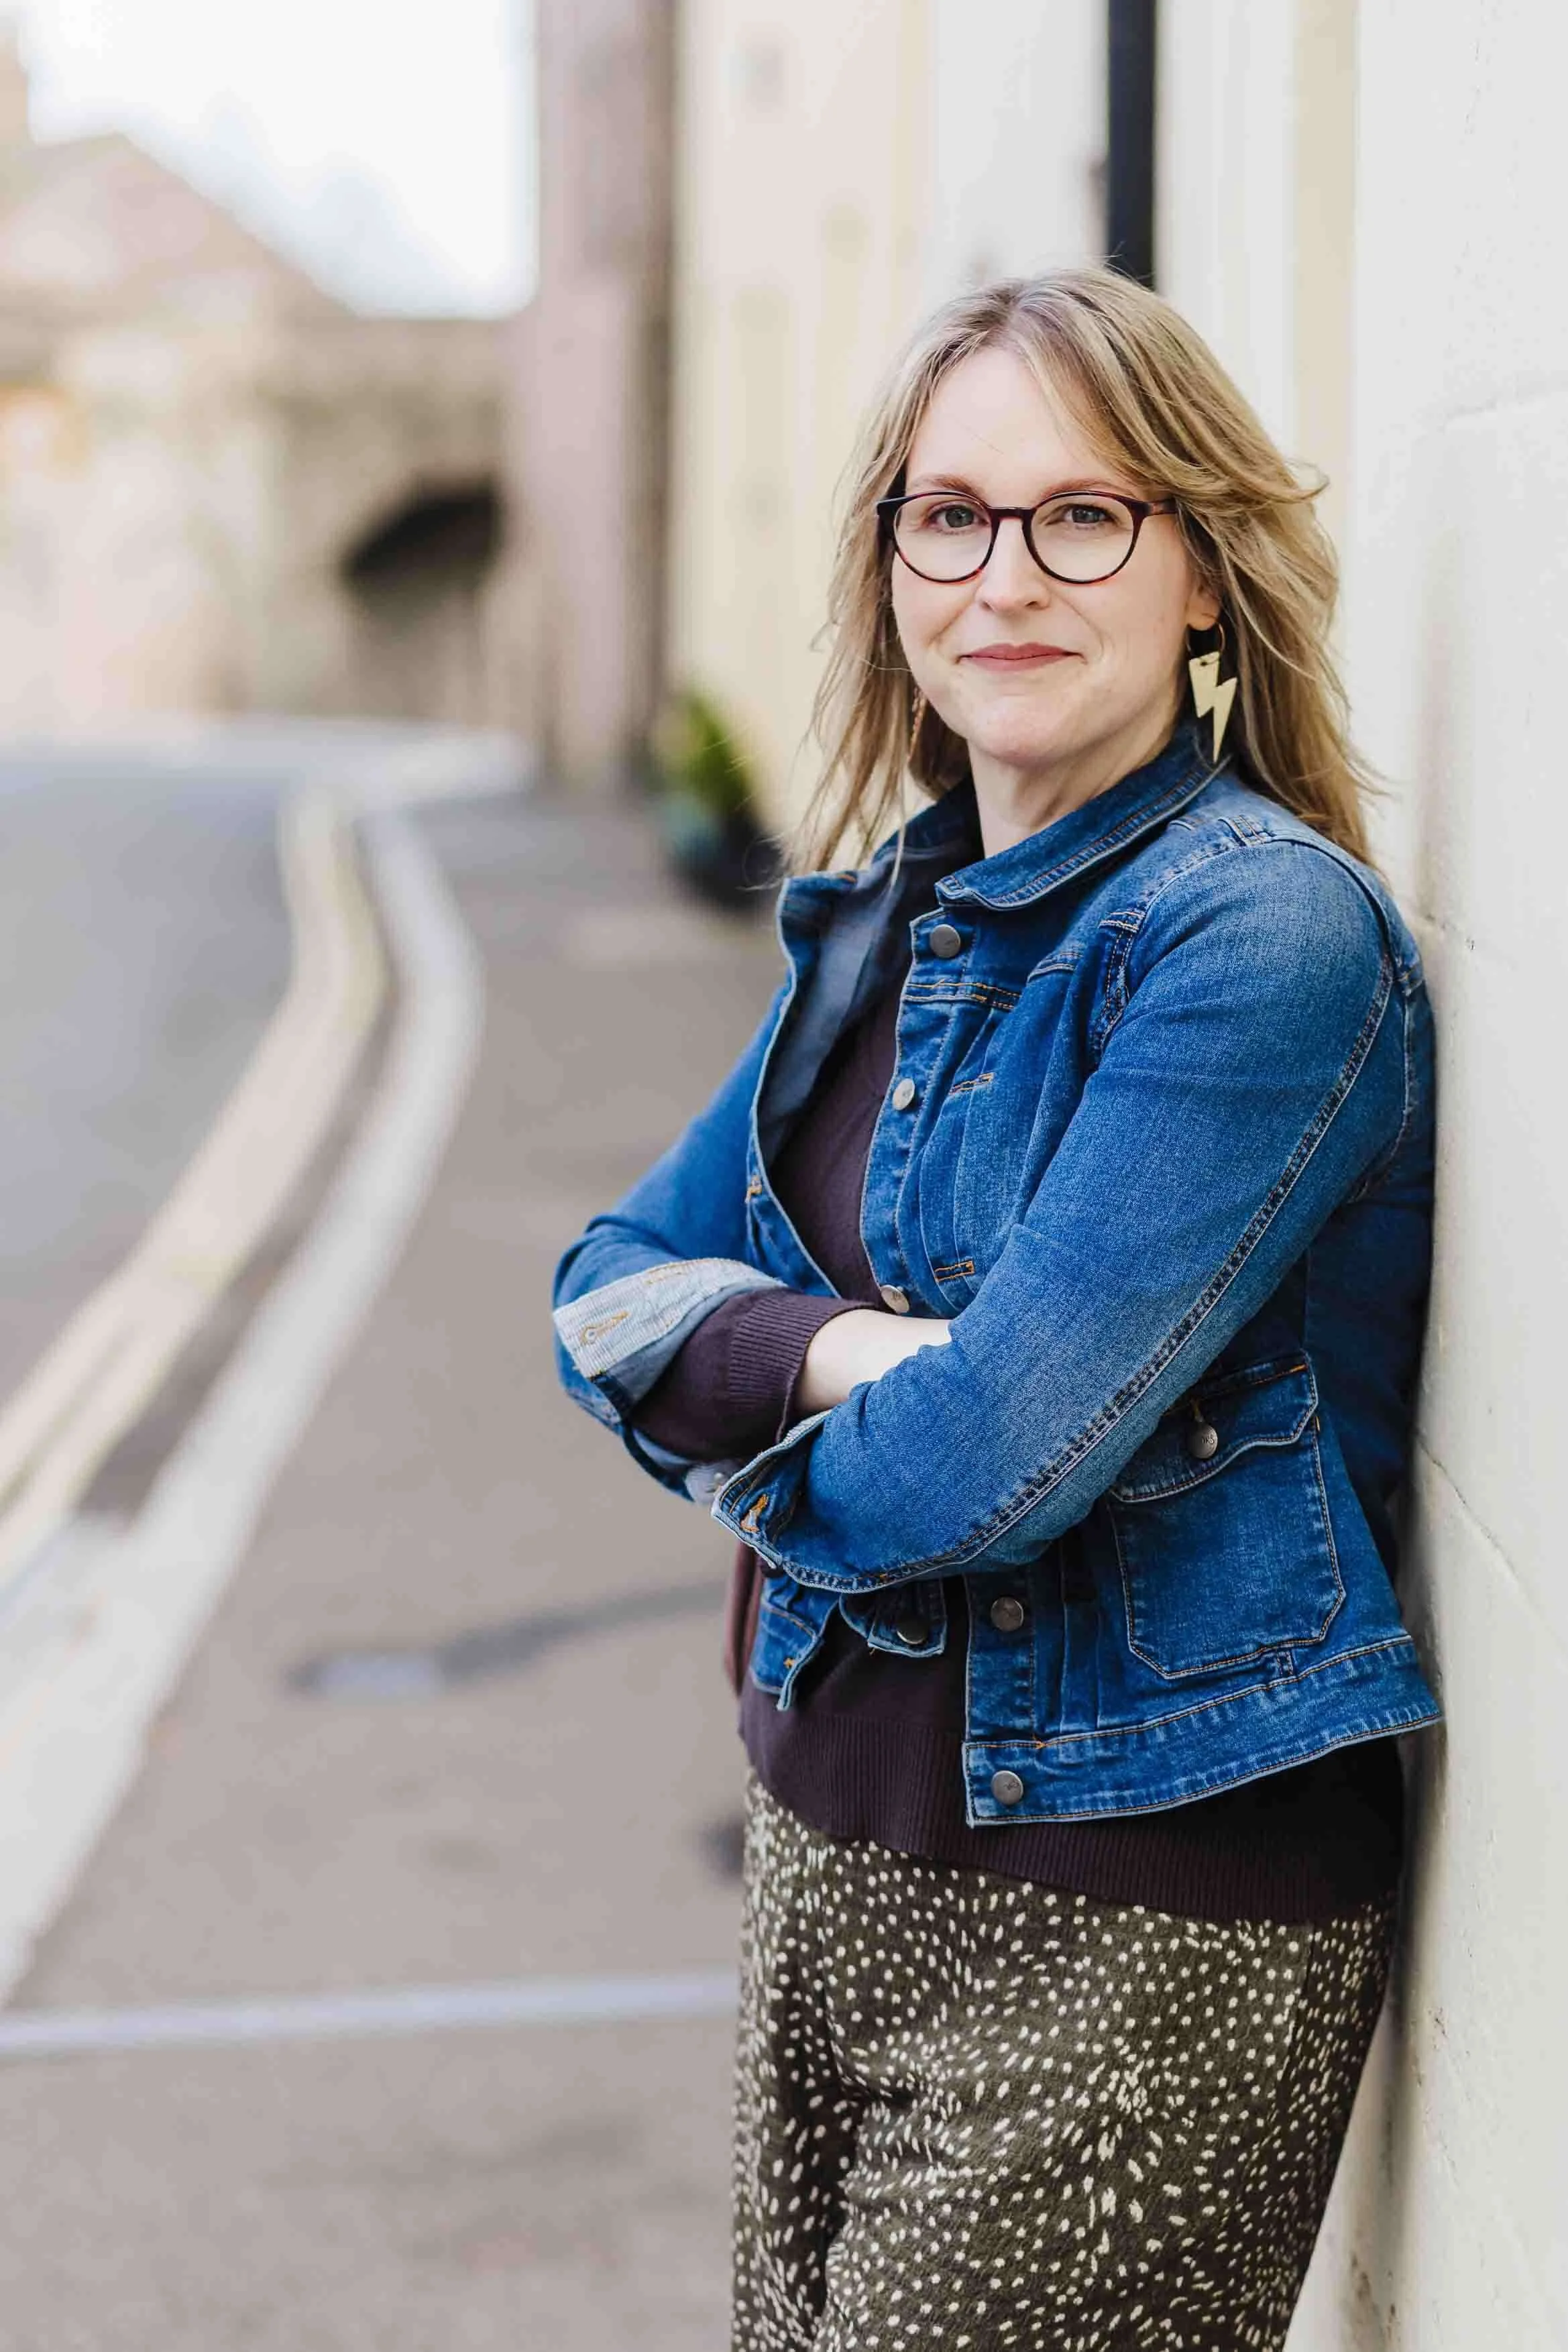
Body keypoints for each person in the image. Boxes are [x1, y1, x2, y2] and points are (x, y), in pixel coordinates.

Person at [552, 268, 1439, 2352]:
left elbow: (982, 1473)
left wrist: (746, 1397)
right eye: (950, 515)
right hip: (828, 1850)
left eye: (1084, 514)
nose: (1006, 574)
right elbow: (601, 1290)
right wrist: (843, 1351)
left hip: (1132, 1919)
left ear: (1204, 573)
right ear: (890, 568)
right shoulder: (893, 920)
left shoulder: (1255, 941)